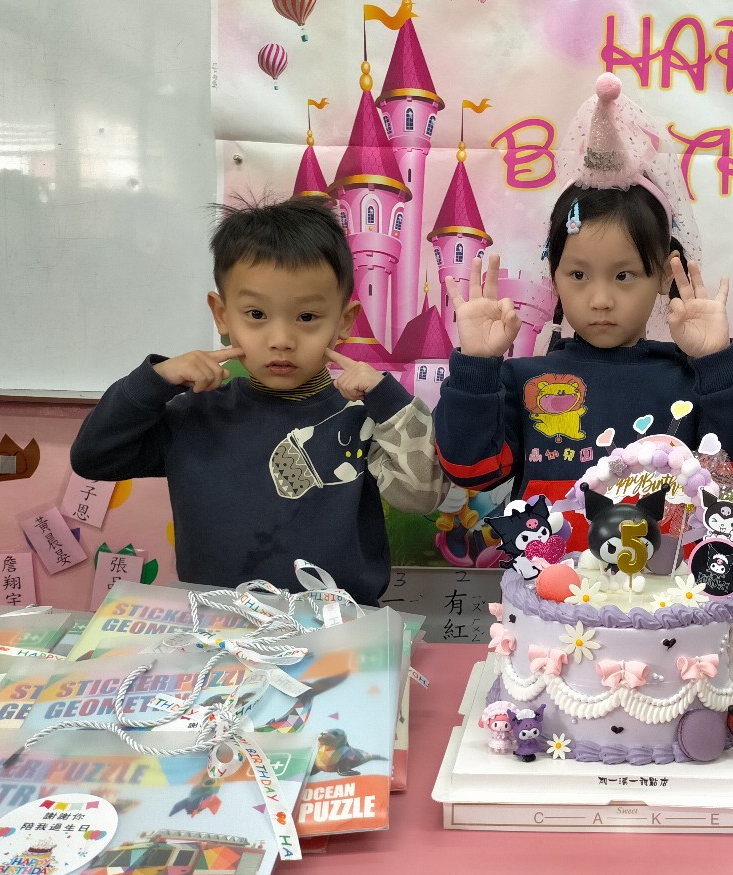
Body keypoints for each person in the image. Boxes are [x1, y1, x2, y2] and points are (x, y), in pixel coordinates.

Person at [432, 74, 733, 549]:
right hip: (546, 591)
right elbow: (469, 469)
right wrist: (476, 366)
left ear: (664, 275)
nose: (600, 299)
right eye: (578, 274)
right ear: (553, 276)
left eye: (624, 275)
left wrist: (717, 361)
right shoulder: (522, 380)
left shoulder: (689, 380)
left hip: (663, 590)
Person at [70, 197, 449, 605]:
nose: (281, 340)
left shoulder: (364, 417)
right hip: (220, 623)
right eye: (256, 314)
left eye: (306, 317)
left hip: (340, 625)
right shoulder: (195, 413)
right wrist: (156, 380)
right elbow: (93, 458)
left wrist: (387, 400)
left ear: (343, 321)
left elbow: (422, 496)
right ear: (222, 315)